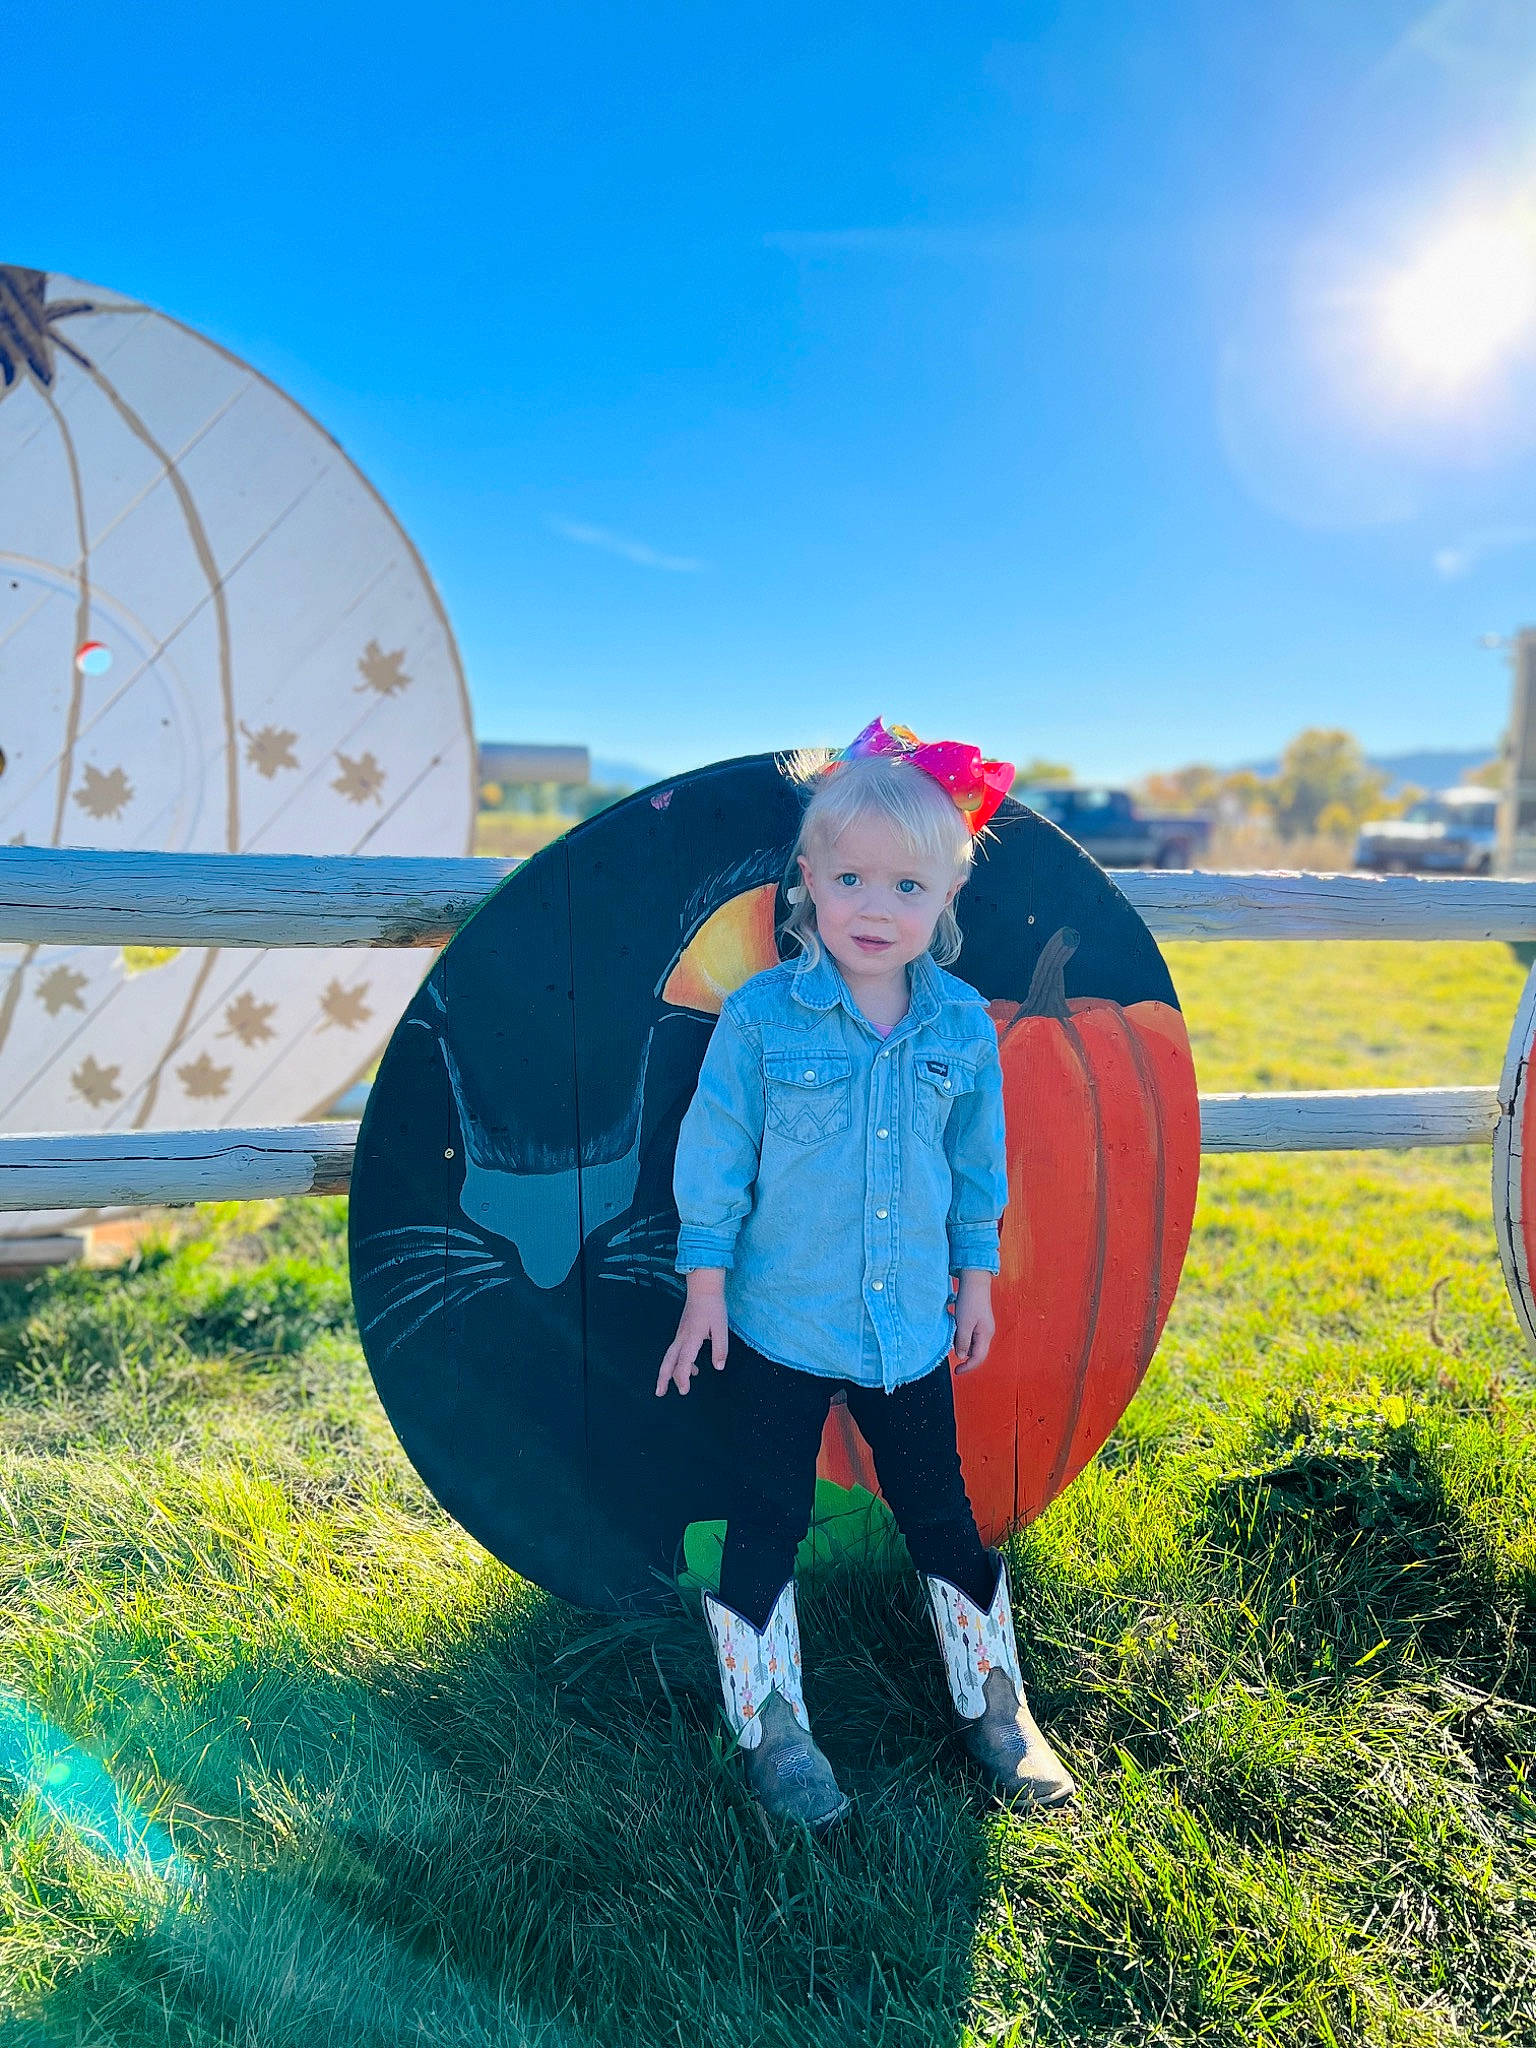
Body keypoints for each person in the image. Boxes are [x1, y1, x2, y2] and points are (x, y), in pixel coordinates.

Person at [656, 718, 1075, 1829]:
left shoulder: (957, 1027)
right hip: (780, 1325)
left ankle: (997, 1706)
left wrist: (974, 1280)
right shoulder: (760, 1019)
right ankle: (772, 1724)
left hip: (906, 1333)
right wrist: (704, 1286)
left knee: (941, 1509)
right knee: (765, 1515)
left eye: (904, 884)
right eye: (849, 878)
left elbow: (976, 1164)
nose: (874, 906)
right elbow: (716, 1157)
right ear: (807, 884)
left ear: (944, 895)